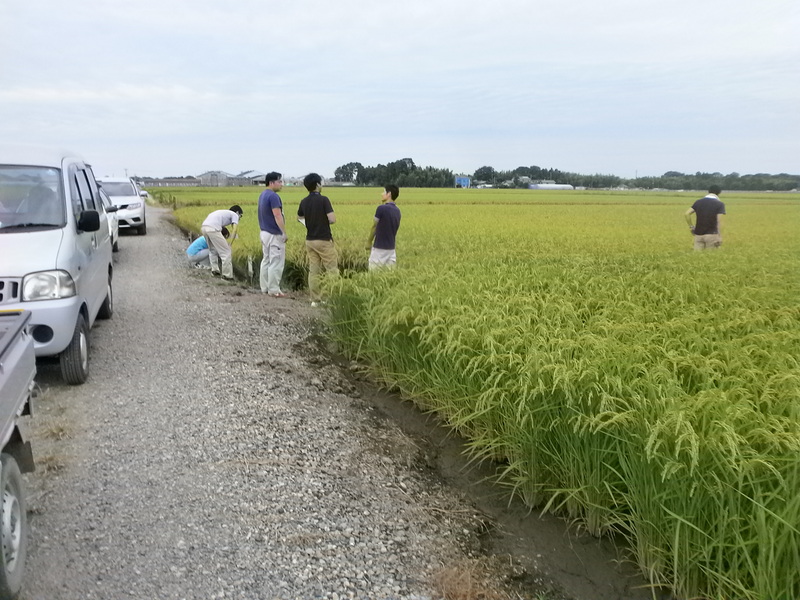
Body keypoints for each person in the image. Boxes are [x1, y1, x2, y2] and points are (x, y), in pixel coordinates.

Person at [297, 173, 338, 306]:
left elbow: (299, 217)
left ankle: (315, 300)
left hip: (310, 240)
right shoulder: (324, 200)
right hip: (324, 240)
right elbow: (332, 219)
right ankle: (331, 298)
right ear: (317, 185)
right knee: (332, 270)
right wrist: (323, 222)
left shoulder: (304, 201)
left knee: (314, 270)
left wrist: (310, 223)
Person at [258, 172, 288, 297]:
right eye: (279, 181)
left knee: (266, 260)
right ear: (271, 183)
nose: (281, 184)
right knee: (276, 261)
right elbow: (277, 215)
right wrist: (283, 232)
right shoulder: (273, 196)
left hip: (264, 232)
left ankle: (264, 288)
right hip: (274, 233)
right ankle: (274, 290)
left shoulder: (263, 194)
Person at [201, 205, 243, 279]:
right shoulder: (234, 215)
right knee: (226, 252)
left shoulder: (224, 213)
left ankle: (215, 270)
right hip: (213, 229)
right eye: (241, 216)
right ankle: (227, 276)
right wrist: (230, 243)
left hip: (204, 227)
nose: (240, 218)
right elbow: (235, 230)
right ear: (237, 212)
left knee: (212, 249)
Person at [367, 184, 401, 270]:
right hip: (391, 250)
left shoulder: (381, 208)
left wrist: (369, 242)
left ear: (389, 194)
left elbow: (374, 226)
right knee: (389, 276)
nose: (382, 194)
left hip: (379, 249)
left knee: (373, 275)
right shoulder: (397, 211)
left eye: (384, 192)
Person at [685, 185, 725, 250]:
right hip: (712, 235)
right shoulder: (719, 204)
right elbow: (718, 221)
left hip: (698, 235)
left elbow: (687, 214)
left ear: (708, 191)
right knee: (711, 258)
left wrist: (691, 227)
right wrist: (719, 236)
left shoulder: (698, 202)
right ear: (719, 193)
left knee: (697, 258)